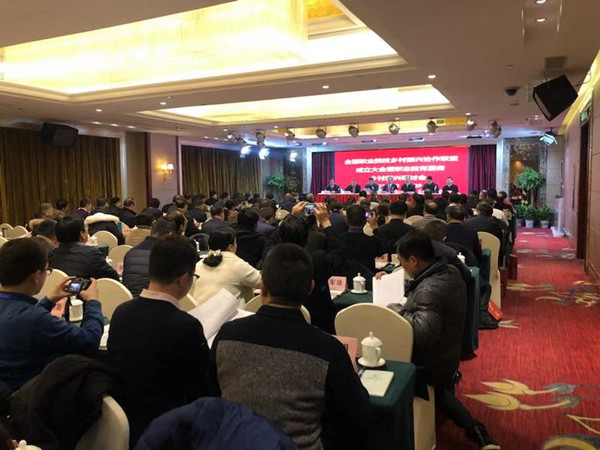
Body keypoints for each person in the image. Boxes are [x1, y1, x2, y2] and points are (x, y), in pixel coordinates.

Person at [208, 243, 370, 450]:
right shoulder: (328, 349)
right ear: (310, 289)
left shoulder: (227, 335)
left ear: (262, 288)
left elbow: (210, 398)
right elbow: (357, 418)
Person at [387, 230, 500, 449]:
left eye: (402, 262)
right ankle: (476, 430)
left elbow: (422, 334)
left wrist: (398, 309)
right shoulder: (449, 270)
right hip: (449, 350)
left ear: (414, 260)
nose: (402, 267)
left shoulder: (430, 288)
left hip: (431, 363)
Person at [108, 235, 209, 446]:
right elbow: (200, 390)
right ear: (184, 279)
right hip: (167, 430)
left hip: (122, 424)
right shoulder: (185, 325)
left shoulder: (121, 312)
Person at [0, 238, 103, 393]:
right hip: (29, 397)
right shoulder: (36, 319)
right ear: (36, 276)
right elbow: (89, 342)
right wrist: (93, 302)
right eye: (46, 271)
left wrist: (49, 300)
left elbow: (19, 316)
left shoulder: (26, 314)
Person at [268, 203, 346, 333]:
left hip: (276, 323)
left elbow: (271, 240)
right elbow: (338, 252)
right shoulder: (317, 260)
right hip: (319, 324)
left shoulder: (272, 257)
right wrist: (326, 222)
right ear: (308, 239)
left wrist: (290, 218)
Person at [193, 229, 260, 307]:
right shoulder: (237, 264)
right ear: (230, 247)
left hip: (197, 312)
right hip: (227, 313)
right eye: (235, 242)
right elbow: (262, 283)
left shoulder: (198, 265)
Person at [50, 216, 119, 280]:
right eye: (86, 229)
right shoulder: (91, 253)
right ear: (82, 234)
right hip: (86, 289)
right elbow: (113, 277)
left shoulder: (52, 254)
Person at [122, 219, 175, 297]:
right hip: (154, 299)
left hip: (129, 298)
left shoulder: (130, 253)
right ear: (170, 235)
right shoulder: (167, 255)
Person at [339, 205, 385, 274]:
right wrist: (374, 227)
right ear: (365, 221)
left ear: (346, 221)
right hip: (369, 277)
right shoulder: (374, 241)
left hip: (345, 277)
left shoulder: (339, 240)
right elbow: (383, 248)